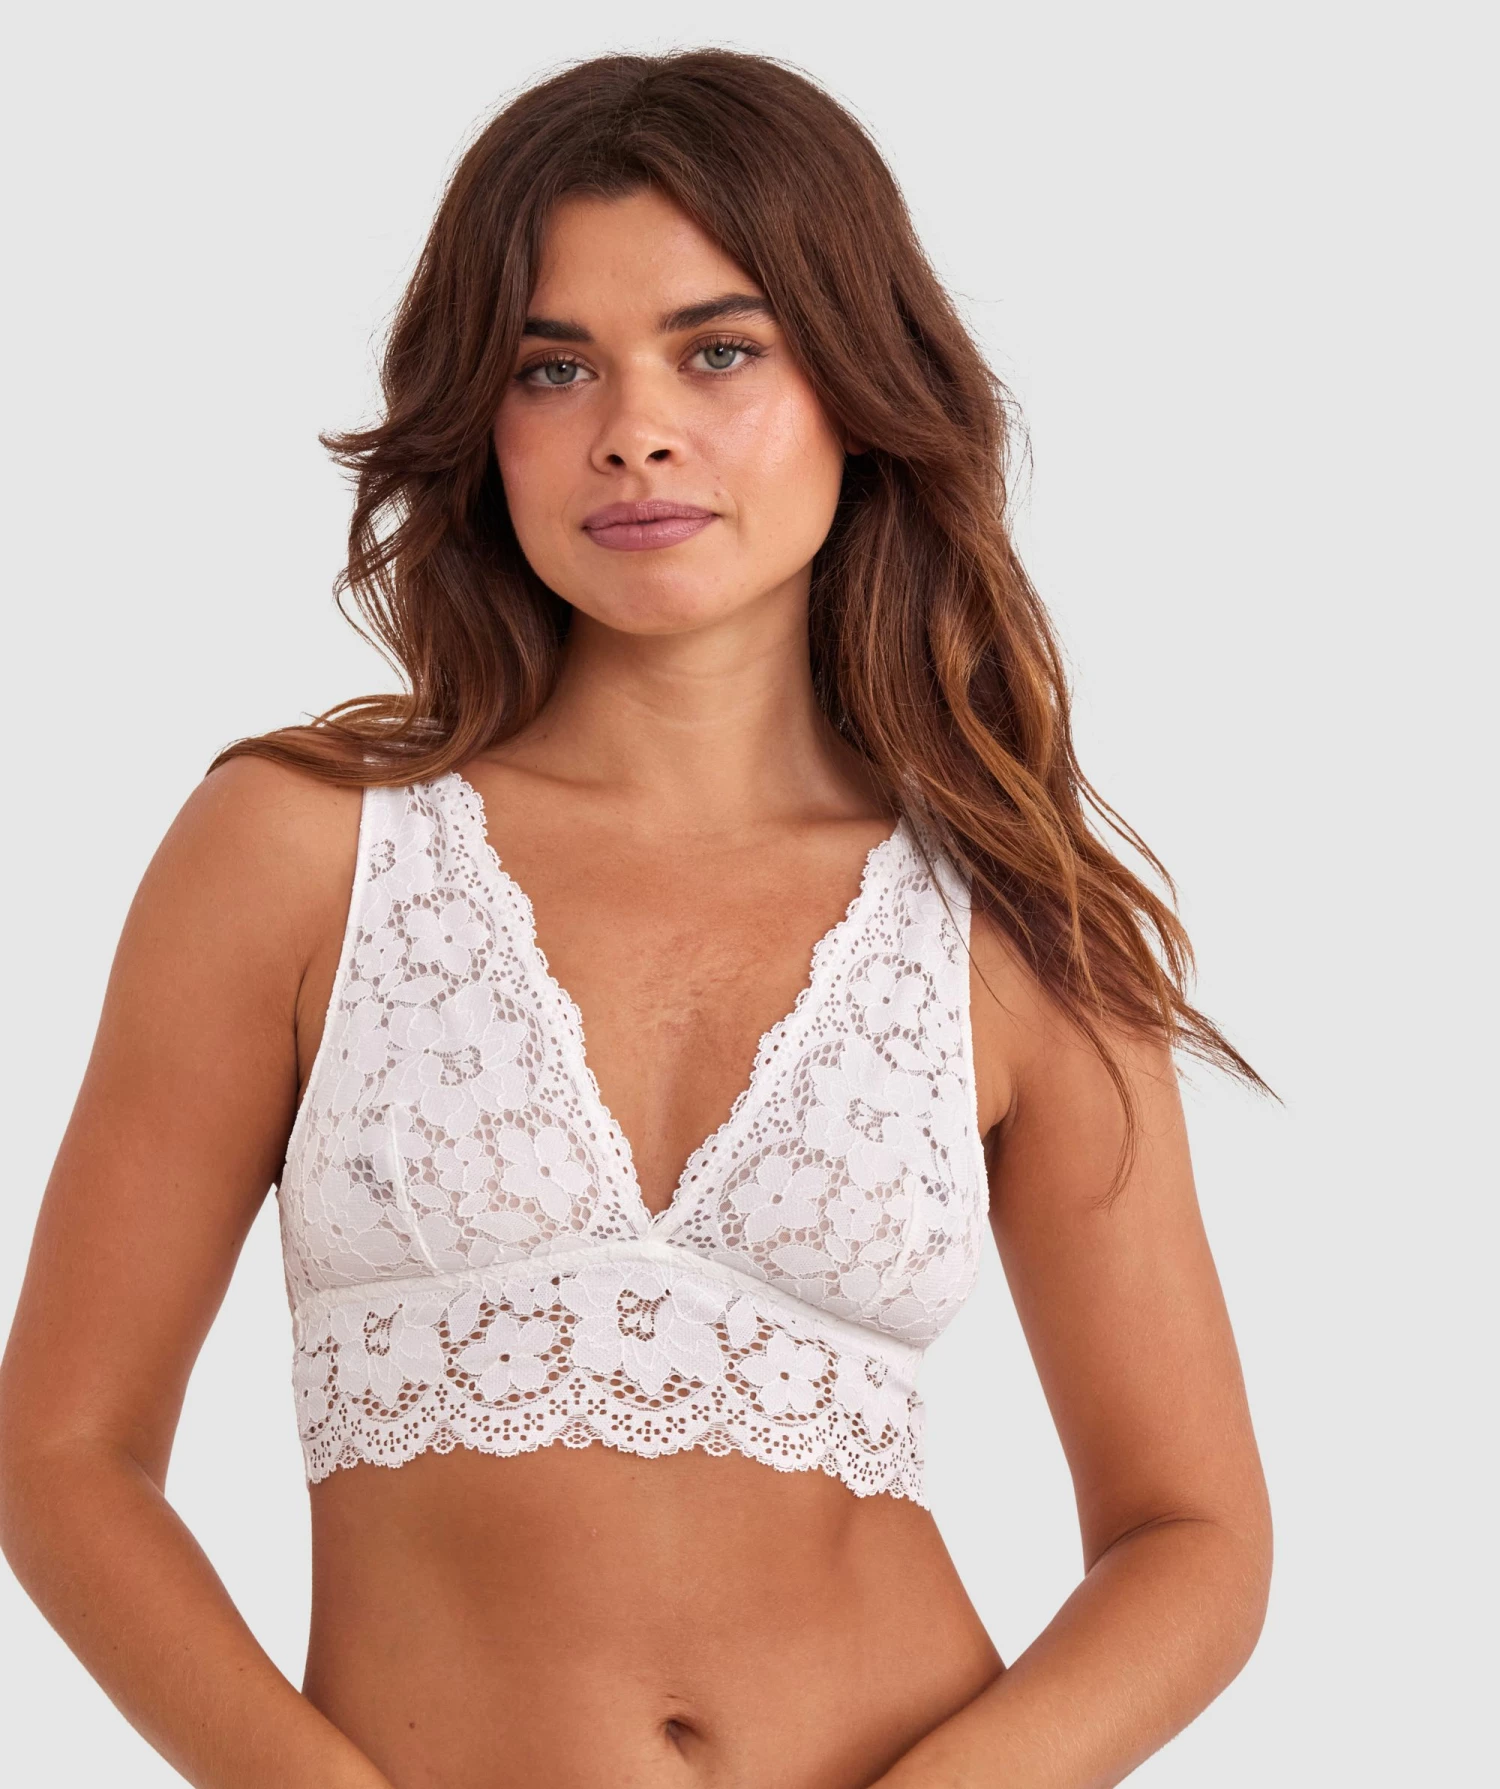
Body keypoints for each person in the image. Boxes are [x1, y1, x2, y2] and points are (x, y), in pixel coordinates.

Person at [0, 47, 1272, 1789]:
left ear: (857, 386)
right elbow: (62, 1454)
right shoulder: (303, 852)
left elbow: (1194, 1535)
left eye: (719, 349)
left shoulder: (1008, 920)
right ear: (485, 424)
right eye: (554, 366)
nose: (634, 429)